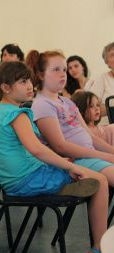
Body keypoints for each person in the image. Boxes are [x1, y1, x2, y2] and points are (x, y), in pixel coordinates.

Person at [0, 61, 107, 253]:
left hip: (11, 182)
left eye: (29, 81)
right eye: (23, 82)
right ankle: (99, 249)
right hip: (28, 180)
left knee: (71, 167)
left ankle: (65, 184)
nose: (30, 86)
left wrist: (61, 162)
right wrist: (71, 166)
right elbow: (36, 149)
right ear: (5, 88)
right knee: (100, 181)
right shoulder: (18, 114)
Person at [28, 50, 114, 188]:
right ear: (41, 74)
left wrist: (111, 152)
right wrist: (103, 156)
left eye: (64, 69)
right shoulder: (42, 104)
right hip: (76, 161)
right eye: (56, 69)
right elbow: (60, 146)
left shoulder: (68, 102)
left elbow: (91, 137)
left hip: (90, 157)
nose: (63, 74)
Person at [88, 42, 114, 124]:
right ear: (107, 62)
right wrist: (109, 108)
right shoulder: (102, 79)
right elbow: (91, 108)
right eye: (113, 54)